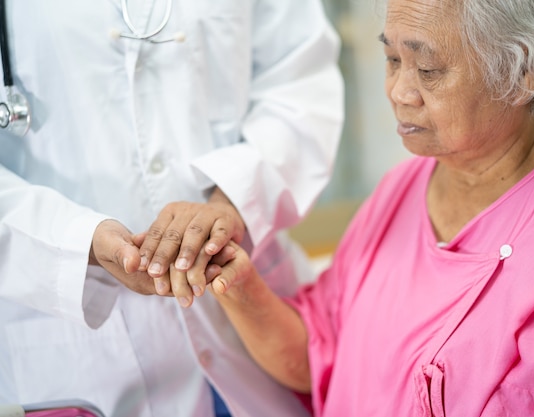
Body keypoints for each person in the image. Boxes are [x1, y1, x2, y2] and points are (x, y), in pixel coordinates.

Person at [199, 0, 534, 415]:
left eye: (428, 70)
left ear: (523, 71)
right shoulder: (402, 188)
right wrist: (236, 282)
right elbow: (318, 357)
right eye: (391, 59)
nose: (399, 91)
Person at [0, 1, 343, 416]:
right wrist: (82, 241)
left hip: (254, 326)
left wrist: (232, 199)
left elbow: (301, 84)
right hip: (74, 348)